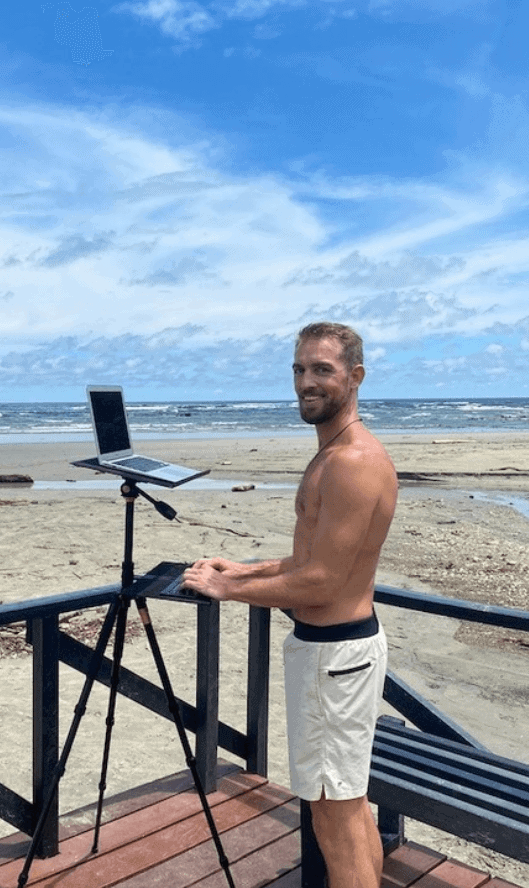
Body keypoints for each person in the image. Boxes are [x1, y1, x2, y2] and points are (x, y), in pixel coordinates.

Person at [182, 321, 397, 888]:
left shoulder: (351, 462)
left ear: (355, 377)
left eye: (322, 370)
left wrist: (228, 590)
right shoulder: (334, 454)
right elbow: (315, 561)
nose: (306, 381)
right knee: (346, 803)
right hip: (337, 654)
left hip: (335, 657)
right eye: (299, 369)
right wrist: (245, 569)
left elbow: (323, 583)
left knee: (334, 812)